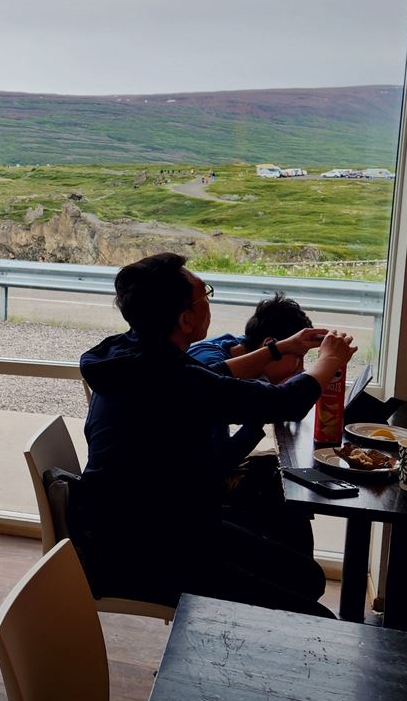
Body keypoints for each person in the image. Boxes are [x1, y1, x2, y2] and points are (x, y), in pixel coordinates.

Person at [76, 253, 356, 617]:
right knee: (317, 617)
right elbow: (285, 402)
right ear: (185, 319)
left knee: (307, 577)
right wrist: (329, 361)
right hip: (144, 551)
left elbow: (211, 376)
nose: (209, 301)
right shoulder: (171, 376)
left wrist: (280, 348)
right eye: (204, 294)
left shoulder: (132, 354)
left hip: (149, 524)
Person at [189, 294, 327, 558]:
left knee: (284, 483)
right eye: (298, 357)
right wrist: (262, 412)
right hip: (192, 492)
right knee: (283, 495)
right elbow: (221, 461)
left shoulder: (230, 346)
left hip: (198, 473)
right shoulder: (207, 365)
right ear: (270, 344)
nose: (300, 369)